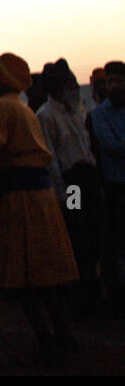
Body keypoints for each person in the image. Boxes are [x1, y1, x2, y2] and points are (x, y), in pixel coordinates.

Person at [0, 53, 79, 366]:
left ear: (3, 80)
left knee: (24, 274)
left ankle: (46, 341)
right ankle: (63, 335)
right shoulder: (23, 107)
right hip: (40, 196)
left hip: (20, 198)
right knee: (45, 274)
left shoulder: (0, 108)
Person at [37, 58, 103, 317]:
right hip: (71, 181)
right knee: (77, 233)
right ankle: (80, 295)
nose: (76, 87)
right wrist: (64, 195)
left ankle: (90, 290)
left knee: (94, 232)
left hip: (88, 177)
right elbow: (51, 158)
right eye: (71, 83)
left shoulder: (77, 110)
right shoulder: (46, 115)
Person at [89, 61, 125, 318]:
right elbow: (110, 147)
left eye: (117, 81)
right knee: (113, 242)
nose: (112, 86)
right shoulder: (98, 114)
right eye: (109, 81)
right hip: (107, 187)